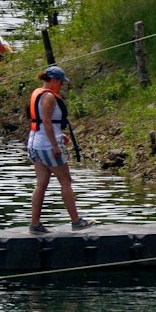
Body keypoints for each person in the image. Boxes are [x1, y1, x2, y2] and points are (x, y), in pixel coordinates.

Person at [27, 67, 90, 232]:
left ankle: (35, 224)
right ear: (54, 80)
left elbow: (42, 123)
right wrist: (55, 144)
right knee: (66, 181)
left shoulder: (38, 93)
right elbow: (47, 122)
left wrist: (59, 135)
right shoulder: (49, 97)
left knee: (41, 183)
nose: (62, 85)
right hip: (47, 144)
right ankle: (76, 221)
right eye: (61, 82)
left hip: (34, 142)